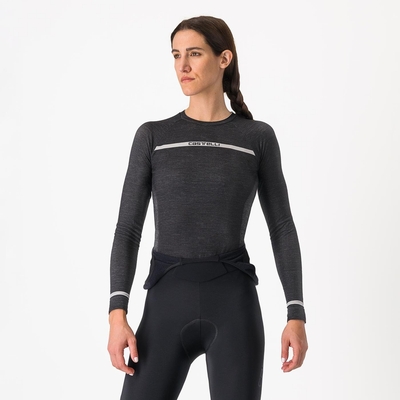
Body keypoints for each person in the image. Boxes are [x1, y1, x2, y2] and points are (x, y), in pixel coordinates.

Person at [107, 15, 308, 400]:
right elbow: (128, 230)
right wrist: (118, 314)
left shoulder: (256, 138)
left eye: (194, 54)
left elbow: (281, 227)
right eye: (176, 55)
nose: (182, 65)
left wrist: (295, 314)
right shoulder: (153, 136)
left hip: (234, 306)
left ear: (223, 59)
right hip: (165, 304)